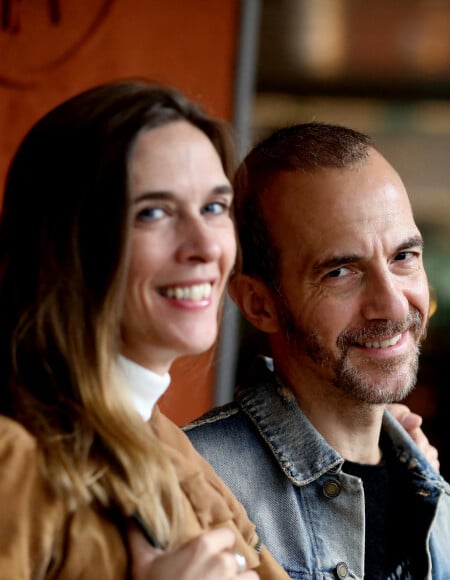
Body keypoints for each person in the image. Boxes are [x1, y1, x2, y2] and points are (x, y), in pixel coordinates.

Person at [0, 80, 289, 579]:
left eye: (215, 207)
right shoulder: (14, 455)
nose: (204, 245)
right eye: (154, 212)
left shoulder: (170, 447)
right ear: (66, 243)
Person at [185, 122, 450, 579]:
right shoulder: (196, 487)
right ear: (260, 304)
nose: (392, 304)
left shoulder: (439, 512)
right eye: (340, 272)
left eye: (403, 257)